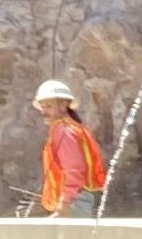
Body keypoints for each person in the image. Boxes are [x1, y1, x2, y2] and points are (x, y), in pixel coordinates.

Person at [33, 78, 107, 216]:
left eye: (48, 106)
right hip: (78, 197)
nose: (43, 111)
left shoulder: (64, 130)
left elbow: (74, 169)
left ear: (63, 105)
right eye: (42, 107)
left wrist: (64, 202)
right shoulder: (72, 128)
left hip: (74, 200)